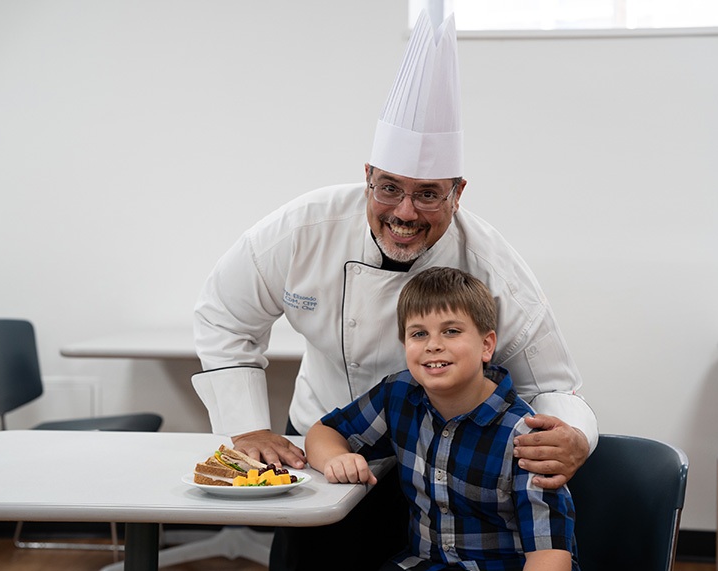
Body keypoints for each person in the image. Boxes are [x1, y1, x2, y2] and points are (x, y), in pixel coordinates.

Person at [192, 10, 596, 571]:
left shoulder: (492, 263)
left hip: (447, 476)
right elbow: (223, 316)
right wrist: (248, 425)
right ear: (367, 176)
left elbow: (554, 385)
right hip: (323, 445)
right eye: (389, 189)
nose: (404, 214)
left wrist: (574, 437)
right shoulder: (302, 230)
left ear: (458, 192)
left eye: (428, 194)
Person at [306, 267, 579, 571]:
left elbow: (549, 556)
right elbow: (324, 432)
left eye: (451, 331)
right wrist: (335, 458)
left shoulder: (525, 436)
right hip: (422, 564)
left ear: (486, 345)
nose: (433, 344)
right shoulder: (397, 395)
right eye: (419, 333)